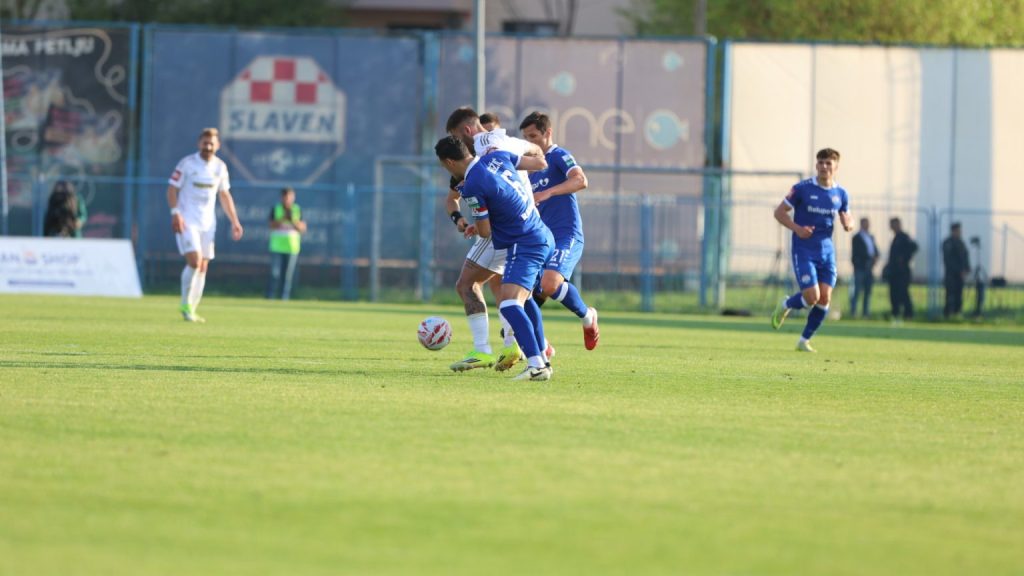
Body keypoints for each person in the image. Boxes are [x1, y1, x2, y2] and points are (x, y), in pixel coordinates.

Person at [435, 134, 554, 381]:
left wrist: (477, 220)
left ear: (449, 162)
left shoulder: (472, 185)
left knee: (509, 304)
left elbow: (485, 232)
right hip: (540, 232)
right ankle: (542, 360)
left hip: (525, 242)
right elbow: (537, 163)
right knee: (524, 301)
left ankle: (536, 365)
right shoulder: (496, 156)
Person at [519, 111, 599, 350]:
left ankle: (588, 316)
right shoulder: (528, 168)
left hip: (566, 235)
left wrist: (548, 192)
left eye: (533, 136)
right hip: (541, 240)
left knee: (550, 284)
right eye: (526, 137)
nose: (529, 142)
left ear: (548, 133)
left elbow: (580, 180)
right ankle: (542, 346)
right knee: (525, 297)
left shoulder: (558, 156)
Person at [770, 148, 853, 352]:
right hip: (804, 250)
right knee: (811, 297)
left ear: (836, 167)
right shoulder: (802, 189)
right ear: (816, 165)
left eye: (828, 163)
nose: (824, 166)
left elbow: (847, 216)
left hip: (827, 252)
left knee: (825, 298)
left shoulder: (841, 194)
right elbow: (779, 212)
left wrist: (848, 224)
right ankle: (786, 304)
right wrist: (797, 228)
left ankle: (803, 341)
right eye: (821, 162)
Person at [167, 127, 244, 323]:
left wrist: (235, 221)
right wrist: (175, 213)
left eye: (211, 144)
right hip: (187, 220)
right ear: (199, 143)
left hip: (208, 223)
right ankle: (185, 304)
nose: (208, 147)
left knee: (202, 266)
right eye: (205, 143)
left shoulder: (220, 167)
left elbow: (224, 195)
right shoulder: (187, 163)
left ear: (217, 146)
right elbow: (172, 189)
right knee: (194, 261)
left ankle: (192, 309)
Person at [267, 187, 306, 300]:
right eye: (286, 197)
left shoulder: (297, 209)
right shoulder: (276, 208)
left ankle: (284, 298)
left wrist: (293, 221)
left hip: (292, 248)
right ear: (282, 197)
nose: (288, 199)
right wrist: (283, 218)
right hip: (277, 247)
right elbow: (271, 225)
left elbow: (303, 228)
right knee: (275, 274)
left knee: (287, 276)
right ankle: (270, 297)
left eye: (290, 197)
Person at [884, 217, 918, 321]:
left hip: (902, 272)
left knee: (903, 292)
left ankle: (908, 314)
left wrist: (904, 258)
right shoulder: (895, 238)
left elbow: (914, 247)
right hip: (894, 272)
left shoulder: (904, 237)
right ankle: (895, 313)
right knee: (894, 293)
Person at [848, 217, 879, 318]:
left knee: (868, 291)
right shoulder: (856, 237)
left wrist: (875, 258)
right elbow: (857, 253)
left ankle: (866, 312)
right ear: (861, 224)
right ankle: (853, 311)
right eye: (865, 223)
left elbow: (875, 250)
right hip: (860, 268)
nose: (867, 225)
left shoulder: (871, 236)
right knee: (857, 291)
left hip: (869, 267)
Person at [942, 222, 970, 318]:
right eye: (958, 231)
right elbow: (948, 260)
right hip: (951, 274)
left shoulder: (961, 243)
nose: (959, 232)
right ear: (953, 231)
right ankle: (948, 313)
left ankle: (957, 313)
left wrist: (966, 268)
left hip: (960, 275)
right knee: (950, 294)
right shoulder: (947, 243)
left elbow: (965, 257)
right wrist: (959, 270)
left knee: (959, 294)